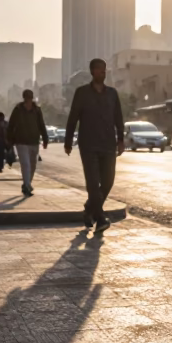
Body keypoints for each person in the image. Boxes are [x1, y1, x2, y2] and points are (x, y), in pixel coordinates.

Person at [64, 58, 124, 232]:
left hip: (108, 144)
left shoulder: (112, 93)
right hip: (88, 144)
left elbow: (118, 118)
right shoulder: (82, 93)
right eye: (99, 70)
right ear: (92, 72)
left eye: (104, 70)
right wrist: (68, 141)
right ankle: (100, 217)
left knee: (107, 182)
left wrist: (120, 140)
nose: (102, 73)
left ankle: (89, 210)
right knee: (92, 183)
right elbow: (73, 117)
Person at [8, 89, 49, 196]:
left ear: (32, 98)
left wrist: (45, 139)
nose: (28, 100)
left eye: (30, 98)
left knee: (32, 165)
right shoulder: (18, 109)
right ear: (24, 98)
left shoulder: (37, 110)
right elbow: (11, 125)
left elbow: (41, 125)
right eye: (26, 97)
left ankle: (27, 183)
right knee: (25, 164)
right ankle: (26, 185)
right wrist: (9, 140)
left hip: (34, 141)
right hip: (21, 141)